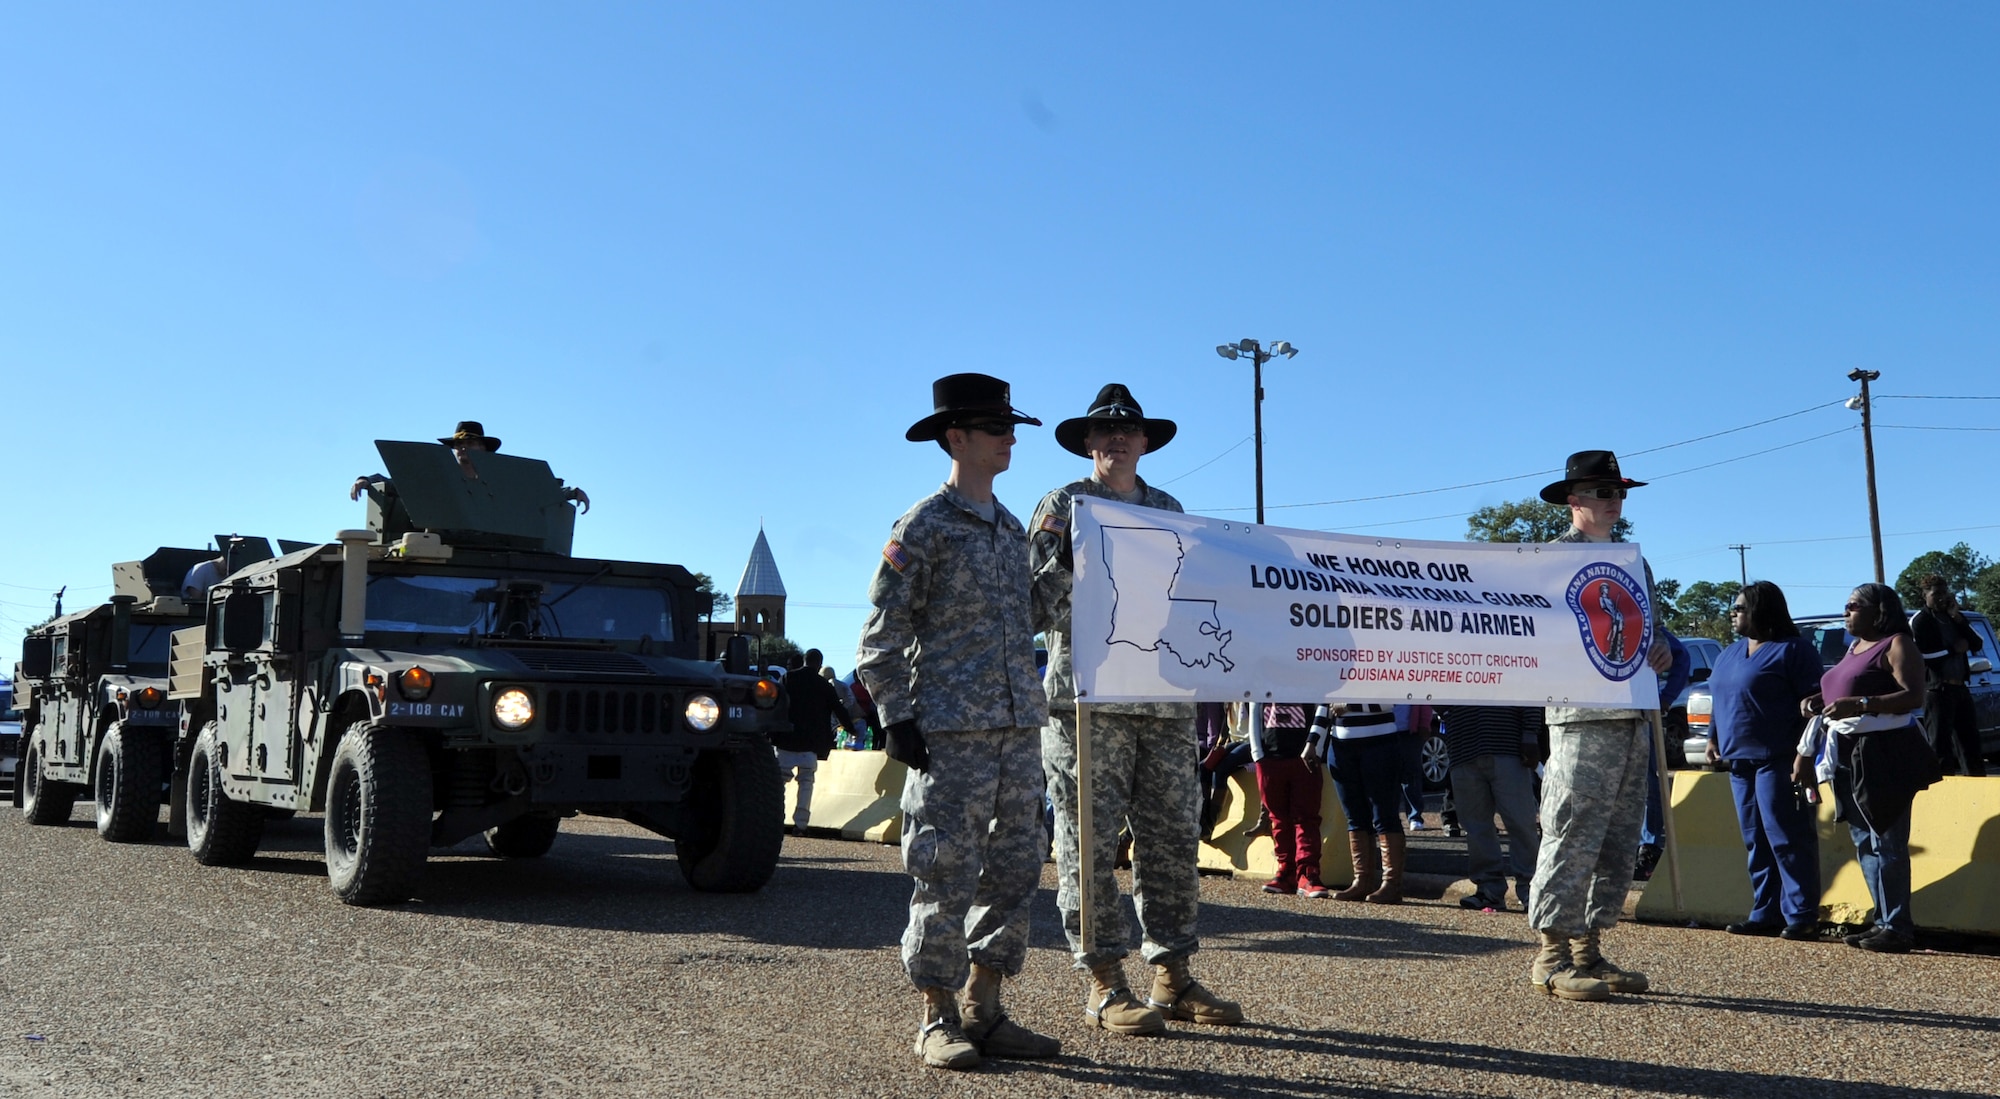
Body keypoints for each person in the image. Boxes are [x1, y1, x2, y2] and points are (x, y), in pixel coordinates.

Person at [854, 373, 1057, 1071]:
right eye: (996, 428)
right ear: (957, 437)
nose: (1009, 439)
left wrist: (1075, 560)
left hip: (1016, 730)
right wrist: (896, 715)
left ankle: (986, 1005)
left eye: (1011, 428)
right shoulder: (924, 525)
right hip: (949, 733)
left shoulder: (1009, 531)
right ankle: (936, 1014)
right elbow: (881, 632)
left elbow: (1036, 615)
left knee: (1015, 866)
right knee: (943, 868)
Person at [1028, 383, 1242, 1036]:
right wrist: (1069, 563)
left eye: (1129, 429)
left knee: (1173, 843)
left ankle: (1172, 976)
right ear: (1089, 443)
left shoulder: (1169, 510)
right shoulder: (1064, 506)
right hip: (1086, 710)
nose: (1117, 437)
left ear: (1146, 442)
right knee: (1087, 846)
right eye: (1104, 430)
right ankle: (1104, 981)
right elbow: (1029, 607)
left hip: (1162, 706)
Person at [1526, 450, 1675, 1002]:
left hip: (1633, 716)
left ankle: (1589, 948)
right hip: (1580, 718)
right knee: (1571, 833)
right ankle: (1552, 956)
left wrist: (1658, 648)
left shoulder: (1635, 561)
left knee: (1616, 841)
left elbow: (1650, 632)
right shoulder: (1550, 559)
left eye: (1621, 493)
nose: (1616, 502)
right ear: (1575, 499)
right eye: (1605, 492)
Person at [1795, 583, 1938, 953]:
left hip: (1884, 753)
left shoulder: (1897, 644)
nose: (1846, 611)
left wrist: (1859, 704)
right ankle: (1882, 920)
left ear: (1879, 611)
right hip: (1845, 752)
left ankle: (1898, 927)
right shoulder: (1853, 647)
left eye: (1853, 605)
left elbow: (1913, 696)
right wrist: (1817, 701)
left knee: (1887, 842)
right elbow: (1840, 691)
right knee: (1864, 842)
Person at [1703, 581, 1825, 939]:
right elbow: (1720, 696)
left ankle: (1801, 914)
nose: (1733, 613)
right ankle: (1765, 911)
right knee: (1755, 837)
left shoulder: (1793, 650)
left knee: (1786, 836)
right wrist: (1712, 737)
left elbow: (1814, 706)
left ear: (1762, 610)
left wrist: (1805, 755)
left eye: (1740, 608)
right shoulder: (1729, 653)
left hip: (1779, 759)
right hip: (1739, 762)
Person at [350, 421, 590, 512]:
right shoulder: (440, 479)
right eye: (459, 444)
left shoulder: (502, 480)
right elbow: (402, 484)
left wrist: (571, 492)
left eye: (472, 443)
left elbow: (532, 492)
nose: (463, 448)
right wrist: (366, 479)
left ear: (484, 449)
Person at [1439, 704, 1543, 912]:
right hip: (1463, 746)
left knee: (1521, 823)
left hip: (1508, 744)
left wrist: (1530, 734)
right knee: (1476, 827)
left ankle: (1533, 889)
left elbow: (1529, 687)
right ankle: (1489, 889)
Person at [1311, 703, 1410, 903]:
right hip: (1340, 745)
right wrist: (1313, 741)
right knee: (1354, 816)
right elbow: (1325, 702)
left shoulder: (1381, 668)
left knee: (1384, 815)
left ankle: (1392, 884)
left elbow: (1388, 700)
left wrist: (1349, 705)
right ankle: (1362, 880)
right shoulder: (1334, 670)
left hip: (1380, 743)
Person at [771, 648, 859, 836]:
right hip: (810, 745)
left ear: (804, 661)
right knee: (806, 783)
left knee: (779, 783)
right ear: (819, 664)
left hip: (786, 740)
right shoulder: (824, 685)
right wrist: (851, 729)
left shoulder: (788, 679)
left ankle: (775, 819)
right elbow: (839, 710)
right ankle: (800, 825)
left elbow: (775, 704)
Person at [1910, 575, 1987, 777]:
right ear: (1925, 595)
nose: (1941, 598)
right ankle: (1942, 790)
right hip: (1937, 690)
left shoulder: (1953, 618)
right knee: (1940, 746)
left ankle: (1976, 787)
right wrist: (1953, 650)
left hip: (1960, 687)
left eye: (1944, 593)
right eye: (1936, 594)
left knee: (1970, 743)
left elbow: (1977, 643)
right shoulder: (1921, 621)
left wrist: (1958, 617)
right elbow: (1923, 656)